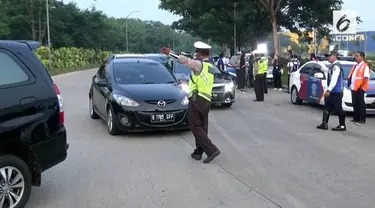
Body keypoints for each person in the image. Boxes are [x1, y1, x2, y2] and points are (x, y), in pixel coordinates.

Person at [160, 41, 220, 163]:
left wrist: (170, 53)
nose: (195, 54)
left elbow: (185, 61)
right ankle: (198, 152)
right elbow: (202, 80)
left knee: (195, 126)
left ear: (199, 53)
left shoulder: (199, 64)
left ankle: (211, 149)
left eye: (196, 52)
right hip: (206, 99)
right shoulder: (211, 65)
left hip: (197, 99)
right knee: (202, 127)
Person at [316, 51, 346, 131]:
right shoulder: (332, 66)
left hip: (336, 91)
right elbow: (328, 71)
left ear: (334, 56)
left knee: (338, 108)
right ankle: (324, 124)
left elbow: (334, 79)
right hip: (333, 91)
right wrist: (321, 66)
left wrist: (329, 90)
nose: (328, 57)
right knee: (327, 107)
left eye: (329, 56)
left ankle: (342, 125)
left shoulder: (336, 67)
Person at [347, 51, 370, 125]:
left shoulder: (365, 66)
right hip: (354, 87)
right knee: (355, 103)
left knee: (360, 104)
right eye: (355, 56)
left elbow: (365, 78)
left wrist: (361, 87)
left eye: (357, 56)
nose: (355, 57)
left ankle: (362, 119)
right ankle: (355, 118)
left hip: (360, 88)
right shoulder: (356, 65)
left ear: (361, 57)